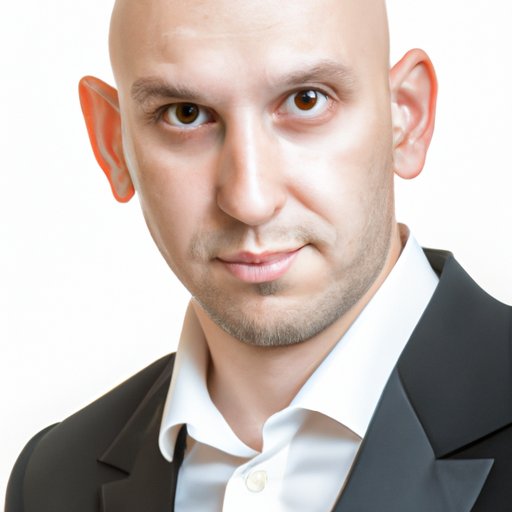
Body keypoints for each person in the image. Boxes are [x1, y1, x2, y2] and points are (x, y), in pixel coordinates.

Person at [5, 0, 512, 510]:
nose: (248, 199)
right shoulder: (50, 482)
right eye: (185, 114)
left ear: (408, 117)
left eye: (307, 101)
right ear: (114, 144)